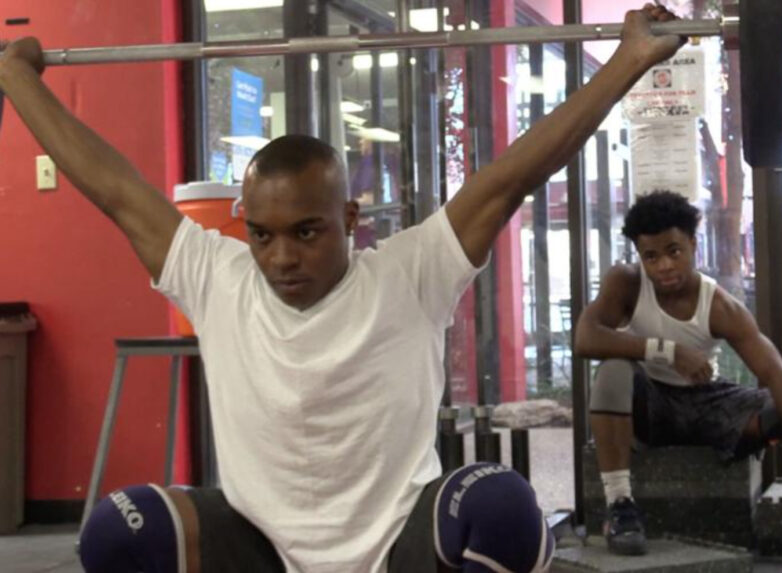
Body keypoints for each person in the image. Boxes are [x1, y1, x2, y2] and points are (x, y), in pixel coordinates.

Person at [0, 4, 685, 572]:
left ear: (350, 218)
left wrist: (627, 62)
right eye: (261, 234)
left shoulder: (410, 272)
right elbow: (116, 190)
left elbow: (510, 178)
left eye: (306, 231)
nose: (280, 257)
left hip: (400, 545)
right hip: (260, 547)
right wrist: (19, 79)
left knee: (506, 513)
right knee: (114, 535)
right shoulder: (216, 275)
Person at [574, 191, 782, 572]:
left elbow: (774, 371)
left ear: (693, 244)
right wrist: (668, 351)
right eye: (651, 256)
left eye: (674, 251)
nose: (663, 266)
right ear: (640, 257)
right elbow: (586, 338)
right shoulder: (625, 282)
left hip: (705, 402)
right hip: (650, 406)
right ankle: (620, 507)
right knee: (611, 369)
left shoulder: (721, 306)